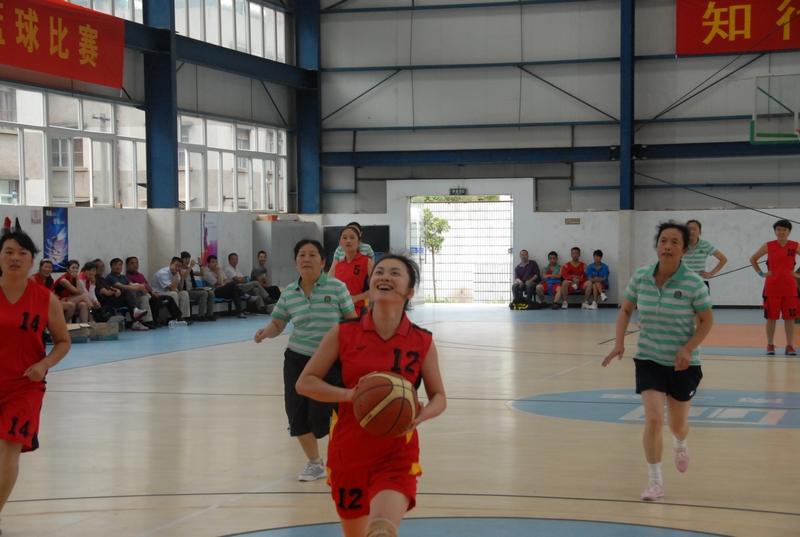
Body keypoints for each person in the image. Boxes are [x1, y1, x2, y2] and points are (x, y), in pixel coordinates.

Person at [296, 254, 447, 537]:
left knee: (381, 529)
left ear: (410, 291)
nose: (385, 276)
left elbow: (439, 396)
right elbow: (305, 383)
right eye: (379, 271)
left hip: (397, 451)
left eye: (395, 273)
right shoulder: (344, 333)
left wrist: (424, 413)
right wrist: (349, 395)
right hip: (348, 451)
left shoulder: (421, 341)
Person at [603, 221, 713, 502]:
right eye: (663, 241)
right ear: (657, 246)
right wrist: (619, 343)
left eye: (675, 242)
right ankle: (655, 481)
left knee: (677, 425)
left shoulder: (694, 284)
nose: (667, 246)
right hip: (649, 357)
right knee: (653, 419)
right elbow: (626, 310)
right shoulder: (641, 277)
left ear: (684, 250)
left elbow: (706, 321)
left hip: (683, 363)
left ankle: (681, 444)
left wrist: (688, 349)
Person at [253, 239, 357, 482]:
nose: (306, 259)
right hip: (297, 360)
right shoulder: (289, 292)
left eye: (312, 255)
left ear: (323, 262)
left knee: (323, 418)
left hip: (330, 361)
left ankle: (345, 459)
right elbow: (278, 323)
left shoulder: (337, 287)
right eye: (302, 255)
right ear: (296, 261)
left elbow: (352, 322)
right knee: (296, 414)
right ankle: (315, 463)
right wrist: (266, 332)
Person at [0, 229, 71, 531]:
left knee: (9, 448)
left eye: (22, 253)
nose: (15, 258)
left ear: (32, 261)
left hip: (24, 386)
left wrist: (44, 364)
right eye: (8, 252)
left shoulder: (46, 299)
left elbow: (63, 341)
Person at [749, 219, 799, 356]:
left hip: (790, 287)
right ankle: (770, 344)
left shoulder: (795, 245)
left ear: (789, 232)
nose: (781, 232)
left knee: (790, 318)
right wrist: (761, 273)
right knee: (771, 317)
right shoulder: (769, 245)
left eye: (784, 229)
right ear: (775, 231)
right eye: (778, 229)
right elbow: (753, 259)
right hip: (772, 287)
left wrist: (798, 275)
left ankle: (790, 345)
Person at [126, 256, 184, 326]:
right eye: (132, 263)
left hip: (151, 293)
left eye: (136, 263)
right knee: (165, 297)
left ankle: (179, 317)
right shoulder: (127, 277)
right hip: (142, 295)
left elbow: (147, 285)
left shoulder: (140, 275)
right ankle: (149, 321)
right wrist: (150, 292)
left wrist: (152, 292)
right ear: (127, 265)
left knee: (174, 296)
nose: (135, 265)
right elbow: (171, 288)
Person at [92, 259, 149, 325]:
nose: (101, 268)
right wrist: (115, 292)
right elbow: (106, 292)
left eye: (102, 266)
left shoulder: (102, 279)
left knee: (129, 299)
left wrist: (117, 290)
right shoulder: (97, 279)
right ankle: (135, 317)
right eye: (98, 267)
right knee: (126, 293)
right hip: (106, 301)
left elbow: (111, 288)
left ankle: (136, 319)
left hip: (114, 298)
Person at [334, 226, 374, 317]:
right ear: (340, 243)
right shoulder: (338, 266)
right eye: (344, 238)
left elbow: (377, 289)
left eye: (352, 238)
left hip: (360, 311)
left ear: (359, 242)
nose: (348, 241)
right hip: (340, 313)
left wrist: (356, 298)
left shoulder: (367, 262)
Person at [684, 220, 728, 290]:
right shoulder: (681, 245)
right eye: (689, 229)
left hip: (701, 282)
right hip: (684, 282)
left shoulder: (705, 245)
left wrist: (711, 273)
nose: (692, 231)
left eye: (695, 229)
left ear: (699, 231)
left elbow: (723, 259)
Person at [151, 257, 193, 323]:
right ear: (171, 264)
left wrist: (182, 276)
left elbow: (180, 289)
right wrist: (175, 275)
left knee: (184, 293)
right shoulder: (163, 273)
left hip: (167, 292)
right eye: (176, 265)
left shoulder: (177, 273)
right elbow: (171, 288)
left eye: (179, 266)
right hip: (158, 293)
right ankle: (174, 317)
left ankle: (183, 317)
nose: (177, 268)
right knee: (174, 293)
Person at [179, 252, 216, 322]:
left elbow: (202, 274)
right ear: (181, 259)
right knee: (203, 294)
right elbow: (183, 277)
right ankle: (200, 315)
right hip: (185, 291)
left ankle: (210, 314)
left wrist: (200, 265)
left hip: (192, 290)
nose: (187, 261)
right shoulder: (179, 270)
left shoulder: (190, 270)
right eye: (185, 259)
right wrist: (190, 267)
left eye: (188, 259)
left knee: (211, 293)